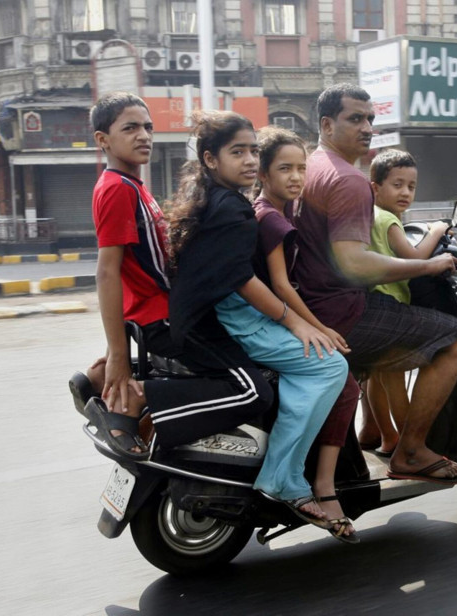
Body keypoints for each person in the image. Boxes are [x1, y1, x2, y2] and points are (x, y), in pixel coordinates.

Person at [166, 111, 348, 534]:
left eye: (252, 150)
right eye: (238, 152)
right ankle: (283, 478)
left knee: (316, 364)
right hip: (230, 321)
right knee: (330, 365)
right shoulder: (235, 209)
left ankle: (284, 473)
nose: (249, 160)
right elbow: (245, 282)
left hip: (212, 315)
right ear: (211, 160)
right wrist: (300, 325)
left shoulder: (214, 196)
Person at [294, 82, 457, 485]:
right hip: (341, 310)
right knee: (453, 336)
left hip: (311, 305)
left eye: (370, 118)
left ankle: (373, 432)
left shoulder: (312, 166)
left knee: (383, 349)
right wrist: (430, 265)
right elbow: (355, 264)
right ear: (326, 124)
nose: (367, 127)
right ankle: (409, 450)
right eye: (355, 118)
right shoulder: (349, 179)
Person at [85, 92, 272, 461]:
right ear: (102, 140)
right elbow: (107, 273)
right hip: (165, 319)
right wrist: (119, 355)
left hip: (167, 312)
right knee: (252, 391)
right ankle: (139, 401)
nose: (143, 135)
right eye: (130, 128)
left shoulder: (134, 186)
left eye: (148, 127)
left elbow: (137, 268)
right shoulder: (116, 190)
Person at [251, 125, 359, 543]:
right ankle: (294, 477)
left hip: (273, 317)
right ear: (263, 174)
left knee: (338, 377)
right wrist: (317, 327)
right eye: (285, 169)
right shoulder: (271, 218)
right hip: (266, 319)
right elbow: (280, 284)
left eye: (301, 168)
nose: (296, 177)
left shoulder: (284, 211)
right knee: (338, 374)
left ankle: (305, 476)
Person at [365, 149, 452, 457]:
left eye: (411, 186)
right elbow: (415, 257)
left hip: (370, 304)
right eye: (397, 184)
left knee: (379, 377)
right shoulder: (388, 219)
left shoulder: (370, 214)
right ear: (376, 187)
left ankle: (385, 436)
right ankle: (409, 446)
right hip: (391, 307)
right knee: (396, 379)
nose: (405, 192)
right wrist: (437, 230)